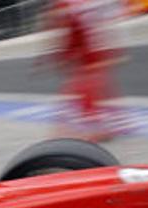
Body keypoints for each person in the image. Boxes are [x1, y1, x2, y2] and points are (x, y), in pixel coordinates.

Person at [46, 0, 128, 141]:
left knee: (85, 86)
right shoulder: (74, 6)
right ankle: (116, 123)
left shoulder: (70, 6)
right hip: (93, 47)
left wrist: (62, 54)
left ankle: (96, 126)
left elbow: (72, 31)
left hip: (91, 49)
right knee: (98, 85)